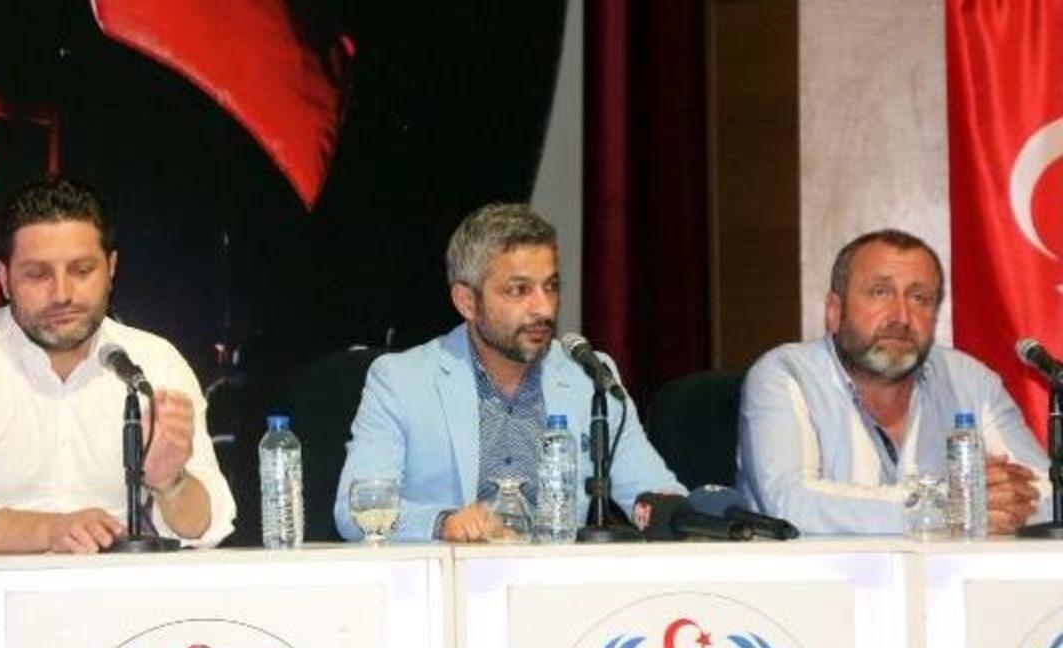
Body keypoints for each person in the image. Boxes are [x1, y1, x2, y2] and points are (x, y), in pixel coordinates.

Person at [0, 176, 236, 556]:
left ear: (111, 268)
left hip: (127, 590)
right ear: (4, 277)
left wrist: (171, 482)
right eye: (37, 274)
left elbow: (206, 527)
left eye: (81, 270)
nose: (62, 294)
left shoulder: (155, 363)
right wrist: (53, 530)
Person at [334, 203, 685, 542]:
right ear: (467, 302)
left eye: (550, 286)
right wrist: (442, 522)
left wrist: (686, 515)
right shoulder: (402, 381)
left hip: (558, 579)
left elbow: (653, 494)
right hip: (451, 578)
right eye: (519, 290)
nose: (543, 308)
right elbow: (354, 512)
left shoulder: (588, 376)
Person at [737, 229, 1047, 534]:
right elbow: (791, 503)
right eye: (880, 292)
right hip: (819, 569)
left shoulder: (970, 380)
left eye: (919, 298)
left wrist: (1006, 501)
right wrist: (953, 506)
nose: (901, 317)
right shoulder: (785, 374)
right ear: (834, 311)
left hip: (945, 568)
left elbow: (1049, 494)